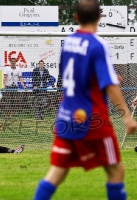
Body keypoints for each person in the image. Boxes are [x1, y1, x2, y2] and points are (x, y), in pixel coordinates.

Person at [33, 1, 137, 200]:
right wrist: (127, 116)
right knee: (116, 171)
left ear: (77, 18)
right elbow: (110, 83)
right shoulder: (97, 45)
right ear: (100, 17)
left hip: (66, 115)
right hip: (91, 117)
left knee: (56, 172)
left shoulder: (68, 42)